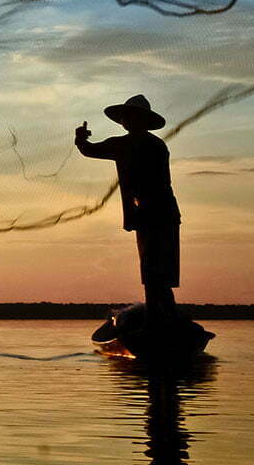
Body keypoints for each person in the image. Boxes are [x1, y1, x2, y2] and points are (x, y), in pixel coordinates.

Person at [75, 95, 182, 318]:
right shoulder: (156, 144)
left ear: (137, 120)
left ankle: (155, 321)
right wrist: (82, 141)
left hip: (149, 215)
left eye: (129, 116)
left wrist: (81, 139)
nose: (126, 120)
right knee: (161, 274)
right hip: (166, 214)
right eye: (125, 116)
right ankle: (169, 318)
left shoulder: (124, 144)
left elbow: (89, 150)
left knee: (153, 273)